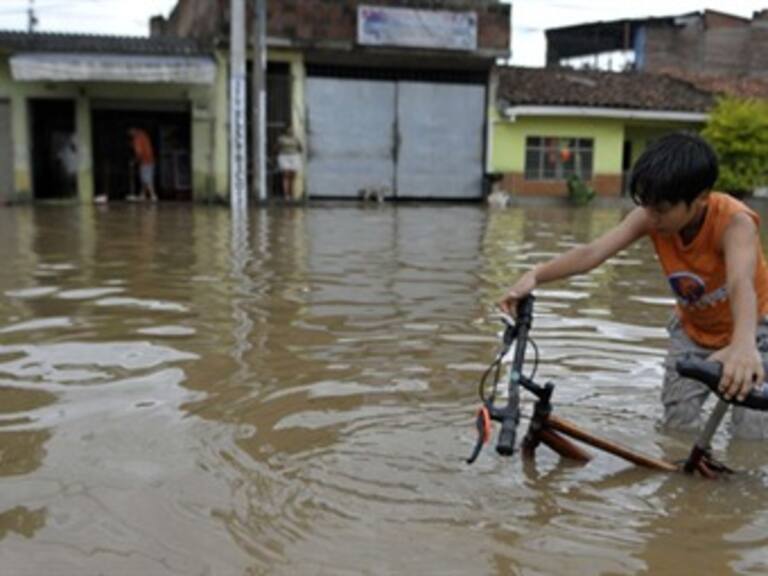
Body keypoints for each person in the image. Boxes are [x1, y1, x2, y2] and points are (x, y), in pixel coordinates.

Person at [499, 132, 768, 439]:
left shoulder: (735, 223)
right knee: (677, 426)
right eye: (646, 206)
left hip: (754, 331)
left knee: (751, 434)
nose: (652, 218)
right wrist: (535, 275)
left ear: (700, 199)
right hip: (693, 333)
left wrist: (743, 345)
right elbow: (592, 253)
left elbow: (740, 283)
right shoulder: (650, 216)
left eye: (661, 209)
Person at [128, 128, 157, 202]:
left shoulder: (136, 139)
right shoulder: (144, 135)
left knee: (146, 179)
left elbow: (139, 152)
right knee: (145, 178)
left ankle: (153, 195)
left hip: (145, 161)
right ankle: (142, 195)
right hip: (151, 160)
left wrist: (134, 161)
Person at [277, 127, 302, 200]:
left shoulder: (296, 139)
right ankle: (286, 195)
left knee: (293, 175)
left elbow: (300, 148)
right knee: (286, 175)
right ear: (285, 131)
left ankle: (292, 193)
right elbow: (277, 147)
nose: (290, 131)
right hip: (284, 156)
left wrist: (296, 152)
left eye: (291, 130)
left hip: (294, 156)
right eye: (289, 129)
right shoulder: (281, 139)